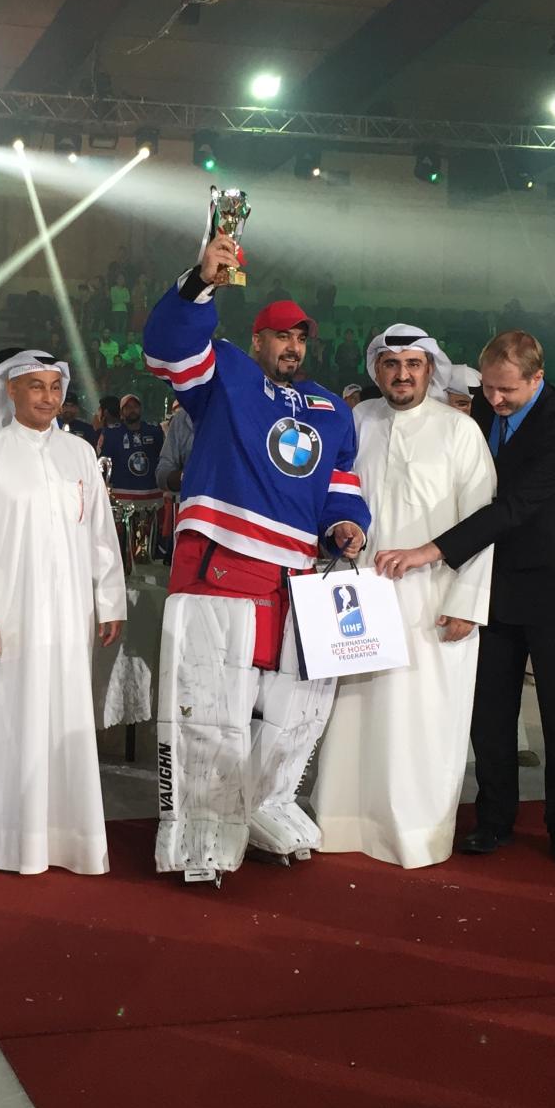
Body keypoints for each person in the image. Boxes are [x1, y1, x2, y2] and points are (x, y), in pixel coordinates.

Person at [142, 233, 367, 883]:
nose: (291, 346)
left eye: (300, 338)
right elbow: (169, 346)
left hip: (295, 577)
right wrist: (199, 282)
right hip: (224, 561)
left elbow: (341, 487)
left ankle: (267, 803)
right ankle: (197, 830)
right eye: (280, 336)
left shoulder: (332, 411)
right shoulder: (226, 377)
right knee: (212, 704)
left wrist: (347, 526)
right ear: (258, 340)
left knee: (297, 708)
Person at [375, 330, 555, 872]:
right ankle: (494, 818)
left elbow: (511, 507)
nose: (494, 399)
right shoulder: (481, 405)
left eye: (507, 391)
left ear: (537, 378)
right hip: (498, 583)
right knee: (490, 710)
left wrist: (430, 551)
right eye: (489, 388)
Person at [311, 326, 494, 868]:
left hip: (432, 602)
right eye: (391, 364)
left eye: (413, 364)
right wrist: (339, 532)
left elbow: (482, 524)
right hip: (362, 598)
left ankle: (416, 833)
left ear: (430, 369)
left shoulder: (460, 430)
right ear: (376, 370)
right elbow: (332, 496)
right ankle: (343, 822)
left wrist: (467, 602)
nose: (402, 374)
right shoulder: (357, 422)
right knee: (353, 715)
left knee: (424, 718)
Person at [0, 349, 126, 874]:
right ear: (11, 391)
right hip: (9, 620)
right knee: (10, 723)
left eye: (55, 387)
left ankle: (69, 838)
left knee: (66, 719)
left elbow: (101, 535)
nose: (49, 398)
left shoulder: (79, 453)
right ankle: (11, 840)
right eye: (36, 387)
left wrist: (109, 600)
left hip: (71, 617)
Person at [99, 392, 165, 512]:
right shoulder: (112, 434)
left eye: (135, 406)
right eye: (128, 407)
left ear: (140, 409)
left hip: (152, 496)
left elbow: (164, 458)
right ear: (121, 412)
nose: (132, 410)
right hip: (122, 497)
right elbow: (104, 464)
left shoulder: (154, 431)